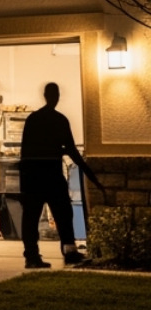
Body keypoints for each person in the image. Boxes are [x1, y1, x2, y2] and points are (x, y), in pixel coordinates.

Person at [17, 82, 103, 268]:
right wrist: (90, 174)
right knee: (63, 213)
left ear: (45, 96)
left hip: (32, 174)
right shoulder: (59, 120)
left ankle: (32, 256)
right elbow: (71, 150)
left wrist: (23, 181)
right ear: (55, 97)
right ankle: (69, 252)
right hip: (50, 173)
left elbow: (24, 151)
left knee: (31, 216)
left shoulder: (33, 119)